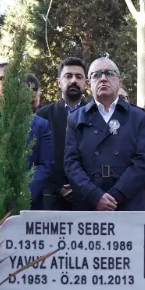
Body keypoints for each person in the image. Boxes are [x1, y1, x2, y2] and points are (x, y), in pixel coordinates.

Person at [64, 57, 145, 211]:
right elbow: (71, 164)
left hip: (127, 203)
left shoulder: (139, 117)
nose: (103, 78)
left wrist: (116, 195)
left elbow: (143, 161)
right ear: (88, 84)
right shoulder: (75, 118)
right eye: (97, 75)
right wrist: (95, 196)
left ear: (120, 82)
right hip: (89, 204)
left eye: (110, 73)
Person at [0, 62, 53, 222]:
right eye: (1, 79)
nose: (7, 83)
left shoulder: (40, 125)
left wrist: (22, 194)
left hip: (27, 211)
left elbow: (45, 165)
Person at [38, 57, 88, 210]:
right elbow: (38, 158)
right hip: (52, 200)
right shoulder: (43, 116)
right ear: (59, 82)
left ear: (86, 83)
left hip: (90, 199)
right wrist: (58, 186)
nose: (73, 80)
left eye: (79, 77)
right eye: (68, 76)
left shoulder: (97, 114)